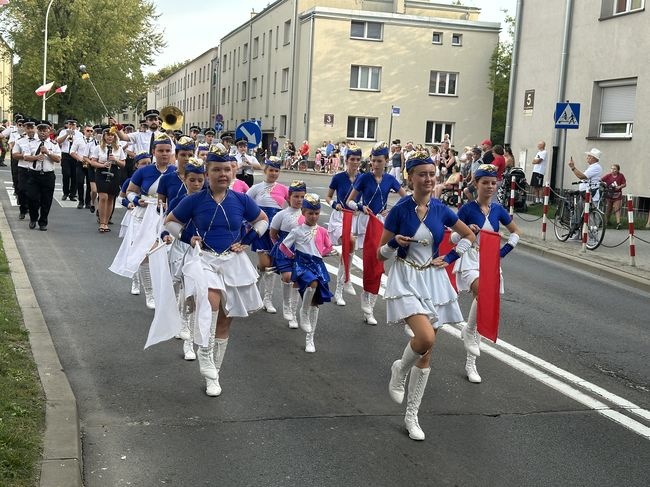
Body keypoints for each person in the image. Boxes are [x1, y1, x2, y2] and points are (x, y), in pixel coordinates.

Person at [378, 150, 475, 441]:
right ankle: (399, 369)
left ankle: (412, 415)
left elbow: (470, 236)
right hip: (405, 276)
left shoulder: (442, 209)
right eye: (423, 174)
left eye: (432, 174)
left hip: (432, 278)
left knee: (428, 351)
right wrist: (394, 242)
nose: (429, 179)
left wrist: (451, 255)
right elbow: (380, 252)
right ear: (410, 178)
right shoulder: (399, 210)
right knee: (425, 338)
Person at [164, 145, 268, 397]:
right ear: (207, 173)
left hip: (232, 261)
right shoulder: (195, 199)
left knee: (226, 315)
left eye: (226, 169)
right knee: (210, 300)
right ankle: (205, 355)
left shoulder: (241, 200)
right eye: (216, 170)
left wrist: (249, 239)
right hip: (205, 260)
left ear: (233, 172)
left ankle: (214, 372)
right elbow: (170, 222)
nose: (223, 174)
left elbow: (262, 219)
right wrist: (189, 237)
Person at [453, 164, 521, 384]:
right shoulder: (466, 209)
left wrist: (504, 251)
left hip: (490, 262)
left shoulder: (499, 210)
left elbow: (516, 232)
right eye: (485, 183)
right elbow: (453, 237)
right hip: (470, 260)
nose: (490, 187)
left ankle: (470, 359)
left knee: (485, 305)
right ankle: (470, 331)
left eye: (493, 183)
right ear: (476, 184)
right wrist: (468, 233)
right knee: (482, 294)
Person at [347, 141, 407, 325]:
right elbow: (349, 201)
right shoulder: (364, 178)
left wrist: (392, 211)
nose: (375, 164)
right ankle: (366, 297)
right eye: (373, 161)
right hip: (367, 222)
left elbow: (406, 198)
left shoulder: (390, 179)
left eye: (379, 161)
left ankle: (370, 305)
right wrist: (360, 206)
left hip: (382, 223)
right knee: (370, 260)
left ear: (386, 161)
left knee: (379, 262)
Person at [123, 134, 177, 308]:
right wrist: (137, 200)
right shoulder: (143, 171)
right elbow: (130, 192)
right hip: (144, 214)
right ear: (153, 152)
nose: (164, 154)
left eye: (167, 151)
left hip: (166, 215)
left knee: (167, 253)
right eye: (160, 150)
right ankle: (150, 292)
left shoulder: (175, 172)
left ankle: (166, 290)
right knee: (146, 253)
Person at [161, 157, 206, 361]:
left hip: (199, 251)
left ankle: (189, 339)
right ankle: (178, 320)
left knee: (193, 293)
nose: (196, 184)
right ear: (185, 179)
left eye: (200, 180)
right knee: (177, 284)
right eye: (192, 180)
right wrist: (166, 235)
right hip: (180, 247)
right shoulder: (180, 201)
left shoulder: (208, 200)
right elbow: (167, 222)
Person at [279, 194, 333, 352]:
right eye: (310, 213)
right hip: (302, 265)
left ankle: (310, 338)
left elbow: (328, 247)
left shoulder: (322, 231)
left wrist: (324, 252)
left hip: (317, 265)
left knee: (316, 303)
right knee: (312, 283)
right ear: (303, 212)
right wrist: (293, 256)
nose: (314, 216)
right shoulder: (297, 231)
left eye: (317, 213)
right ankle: (303, 311)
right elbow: (283, 246)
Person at [246, 156, 289, 314]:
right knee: (266, 264)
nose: (274, 173)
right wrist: (248, 223)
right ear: (265, 170)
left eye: (277, 170)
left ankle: (265, 299)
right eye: (271, 170)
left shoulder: (284, 189)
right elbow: (245, 204)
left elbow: (293, 209)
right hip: (261, 229)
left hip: (276, 231)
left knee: (269, 265)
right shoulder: (256, 188)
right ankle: (258, 296)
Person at [325, 145, 362, 306]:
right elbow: (328, 197)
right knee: (350, 242)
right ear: (346, 161)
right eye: (352, 159)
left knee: (347, 250)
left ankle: (341, 288)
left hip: (356, 217)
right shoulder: (339, 177)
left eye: (357, 159)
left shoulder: (363, 178)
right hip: (340, 216)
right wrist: (334, 205)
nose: (354, 162)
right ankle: (347, 278)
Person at [269, 181, 307, 329]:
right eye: (296, 196)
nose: (299, 200)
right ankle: (286, 305)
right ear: (289, 196)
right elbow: (273, 234)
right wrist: (278, 249)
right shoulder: (281, 215)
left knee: (297, 281)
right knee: (286, 276)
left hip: (300, 251)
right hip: (284, 250)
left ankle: (293, 311)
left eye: (302, 197)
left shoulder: (306, 214)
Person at [13, 120, 61, 231]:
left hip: (48, 175)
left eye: (45, 130)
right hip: (33, 174)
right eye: (40, 130)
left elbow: (58, 159)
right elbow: (25, 157)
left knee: (46, 200)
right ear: (37, 131)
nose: (42, 133)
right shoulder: (31, 143)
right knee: (32, 197)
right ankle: (33, 218)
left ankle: (43, 221)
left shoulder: (53, 144)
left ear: (49, 131)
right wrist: (36, 157)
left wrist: (48, 153)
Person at [91, 128, 126, 233]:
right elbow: (93, 162)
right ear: (104, 136)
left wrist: (115, 160)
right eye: (108, 135)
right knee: (103, 197)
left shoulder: (119, 149)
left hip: (114, 172)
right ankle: (101, 222)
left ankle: (106, 222)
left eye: (112, 135)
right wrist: (102, 165)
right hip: (102, 172)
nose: (110, 137)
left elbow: (123, 164)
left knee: (111, 197)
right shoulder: (98, 148)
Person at [567, 148, 603, 239]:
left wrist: (573, 168)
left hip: (590, 195)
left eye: (589, 156)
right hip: (584, 194)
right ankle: (579, 234)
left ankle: (593, 237)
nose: (587, 157)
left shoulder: (596, 167)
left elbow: (582, 176)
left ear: (594, 158)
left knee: (591, 216)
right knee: (580, 213)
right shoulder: (592, 167)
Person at [157, 136, 196, 208]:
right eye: (183, 155)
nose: (187, 159)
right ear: (176, 156)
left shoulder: (199, 179)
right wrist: (162, 207)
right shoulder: (166, 179)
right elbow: (160, 206)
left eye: (190, 155)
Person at [56, 119, 83, 201]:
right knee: (66, 174)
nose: (71, 126)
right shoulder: (63, 132)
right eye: (70, 124)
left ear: (76, 125)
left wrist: (73, 138)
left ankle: (73, 194)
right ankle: (65, 193)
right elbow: (58, 141)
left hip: (75, 154)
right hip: (65, 154)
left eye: (73, 124)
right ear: (67, 125)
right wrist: (67, 135)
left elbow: (80, 144)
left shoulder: (79, 134)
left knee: (75, 175)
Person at [70, 124, 96, 209]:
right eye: (88, 130)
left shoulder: (95, 141)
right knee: (80, 182)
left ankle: (88, 202)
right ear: (84, 131)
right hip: (80, 163)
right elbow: (72, 152)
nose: (89, 132)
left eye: (91, 131)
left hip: (91, 164)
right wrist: (80, 159)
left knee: (90, 183)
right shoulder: (78, 140)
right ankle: (81, 201)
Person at [601, 164, 627, 229]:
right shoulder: (608, 175)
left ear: (618, 170)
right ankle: (606, 222)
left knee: (617, 208)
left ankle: (618, 223)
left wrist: (619, 186)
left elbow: (624, 184)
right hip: (609, 194)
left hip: (617, 194)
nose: (613, 170)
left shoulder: (621, 176)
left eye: (615, 169)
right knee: (609, 209)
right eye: (612, 168)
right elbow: (601, 180)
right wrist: (605, 184)